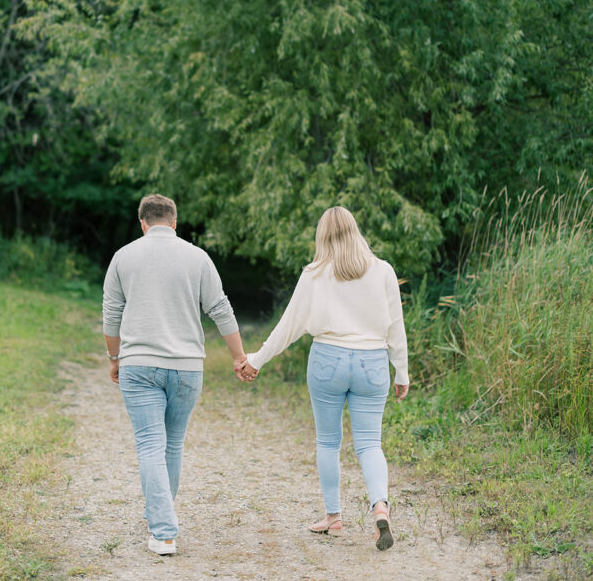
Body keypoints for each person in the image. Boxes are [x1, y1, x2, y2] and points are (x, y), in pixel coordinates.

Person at [238, 206, 409, 550]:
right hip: (373, 362)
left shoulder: (315, 273)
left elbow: (289, 326)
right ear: (356, 231)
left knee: (328, 442)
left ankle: (334, 517)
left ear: (322, 236)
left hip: (328, 360)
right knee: (370, 443)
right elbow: (396, 327)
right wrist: (401, 370)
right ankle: (380, 507)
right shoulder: (383, 271)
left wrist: (256, 359)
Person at [103, 193, 248, 556]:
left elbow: (111, 314)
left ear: (142, 223)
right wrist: (238, 357)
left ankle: (164, 530)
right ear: (174, 222)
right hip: (187, 368)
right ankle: (160, 517)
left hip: (138, 364)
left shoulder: (124, 256)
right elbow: (221, 309)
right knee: (172, 443)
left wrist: (114, 357)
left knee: (151, 444)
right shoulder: (198, 258)